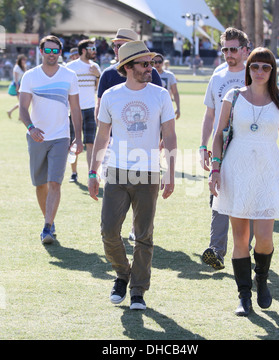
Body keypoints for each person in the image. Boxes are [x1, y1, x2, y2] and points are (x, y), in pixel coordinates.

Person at [88, 41, 177, 310]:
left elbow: (170, 135)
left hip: (148, 172)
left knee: (143, 235)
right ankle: (123, 274)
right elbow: (102, 136)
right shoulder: (112, 95)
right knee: (108, 231)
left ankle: (138, 290)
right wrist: (92, 171)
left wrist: (171, 172)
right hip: (116, 171)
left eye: (151, 63)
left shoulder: (161, 95)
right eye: (144, 64)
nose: (150, 68)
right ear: (128, 67)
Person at [210, 47, 279, 316]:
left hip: (267, 172)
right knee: (240, 238)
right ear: (248, 69)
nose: (260, 71)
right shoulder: (233, 96)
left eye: (266, 67)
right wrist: (214, 169)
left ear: (273, 71)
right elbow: (218, 134)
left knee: (264, 239)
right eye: (255, 66)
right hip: (236, 169)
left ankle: (261, 278)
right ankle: (244, 296)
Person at [19, 35, 83, 244]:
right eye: (48, 50)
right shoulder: (30, 76)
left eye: (56, 51)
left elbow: (75, 108)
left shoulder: (69, 75)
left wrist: (78, 138)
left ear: (60, 53)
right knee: (40, 184)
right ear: (41, 51)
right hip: (36, 137)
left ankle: (47, 227)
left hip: (61, 137)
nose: (52, 54)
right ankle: (49, 220)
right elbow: (22, 108)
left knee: (55, 182)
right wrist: (31, 128)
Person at [199, 27, 250, 270]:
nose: (228, 54)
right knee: (217, 197)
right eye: (224, 49)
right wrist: (202, 145)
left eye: (233, 49)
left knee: (246, 200)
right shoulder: (217, 76)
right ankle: (216, 251)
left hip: (248, 147)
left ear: (244, 50)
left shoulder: (255, 74)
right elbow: (209, 115)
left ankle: (245, 249)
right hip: (221, 146)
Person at [66, 39, 101, 183]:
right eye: (91, 48)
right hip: (74, 110)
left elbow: (99, 89)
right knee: (73, 143)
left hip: (90, 109)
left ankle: (91, 174)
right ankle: (74, 173)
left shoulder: (95, 66)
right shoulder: (70, 67)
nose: (94, 51)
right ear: (83, 50)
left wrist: (98, 75)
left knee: (90, 143)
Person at [153, 53, 180, 120]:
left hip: (166, 106)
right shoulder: (148, 75)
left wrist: (178, 108)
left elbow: (175, 92)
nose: (157, 64)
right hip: (152, 105)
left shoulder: (169, 75)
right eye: (155, 62)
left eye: (159, 62)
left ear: (163, 63)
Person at [7, 54, 27, 119]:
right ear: (20, 60)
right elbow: (15, 78)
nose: (24, 61)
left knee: (21, 102)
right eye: (23, 59)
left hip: (22, 85)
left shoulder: (23, 67)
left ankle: (11, 112)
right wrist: (17, 87)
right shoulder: (17, 67)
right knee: (21, 102)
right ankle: (19, 116)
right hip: (17, 85)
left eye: (25, 59)